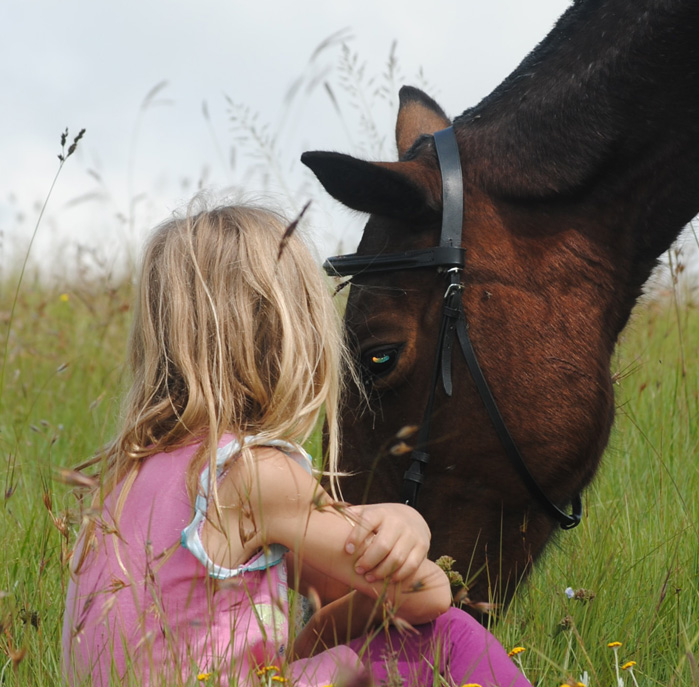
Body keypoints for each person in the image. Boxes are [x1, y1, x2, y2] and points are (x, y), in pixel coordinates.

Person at [61, 201, 531, 687]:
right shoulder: (253, 473)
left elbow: (328, 606)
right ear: (293, 336)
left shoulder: (124, 481)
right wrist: (410, 525)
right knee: (448, 633)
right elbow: (425, 594)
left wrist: (376, 552)